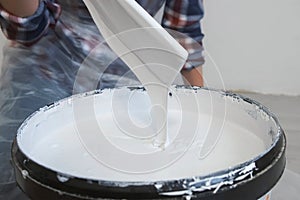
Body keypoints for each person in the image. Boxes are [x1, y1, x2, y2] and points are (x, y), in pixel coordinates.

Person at [0, 0, 205, 198]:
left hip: (125, 72)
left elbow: (184, 35)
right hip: (45, 66)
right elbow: (27, 29)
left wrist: (202, 109)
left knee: (133, 180)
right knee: (19, 172)